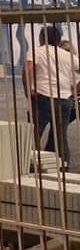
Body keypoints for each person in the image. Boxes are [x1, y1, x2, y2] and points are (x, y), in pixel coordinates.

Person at [25, 25, 79, 170]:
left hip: (43, 97)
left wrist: (29, 91)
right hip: (64, 100)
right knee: (61, 136)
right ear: (58, 39)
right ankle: (64, 168)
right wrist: (74, 91)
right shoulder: (68, 56)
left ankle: (31, 166)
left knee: (34, 134)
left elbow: (28, 70)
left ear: (42, 38)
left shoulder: (37, 51)